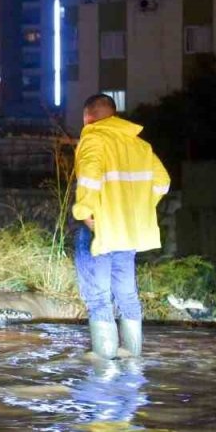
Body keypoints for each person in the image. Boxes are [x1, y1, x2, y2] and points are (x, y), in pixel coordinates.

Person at [72, 93, 170, 359]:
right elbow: (163, 182)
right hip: (127, 231)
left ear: (88, 117)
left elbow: (90, 178)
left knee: (98, 296)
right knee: (127, 295)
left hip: (100, 230)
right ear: (114, 114)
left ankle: (103, 361)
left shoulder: (93, 137)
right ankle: (132, 356)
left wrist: (84, 212)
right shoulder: (139, 145)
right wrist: (138, 207)